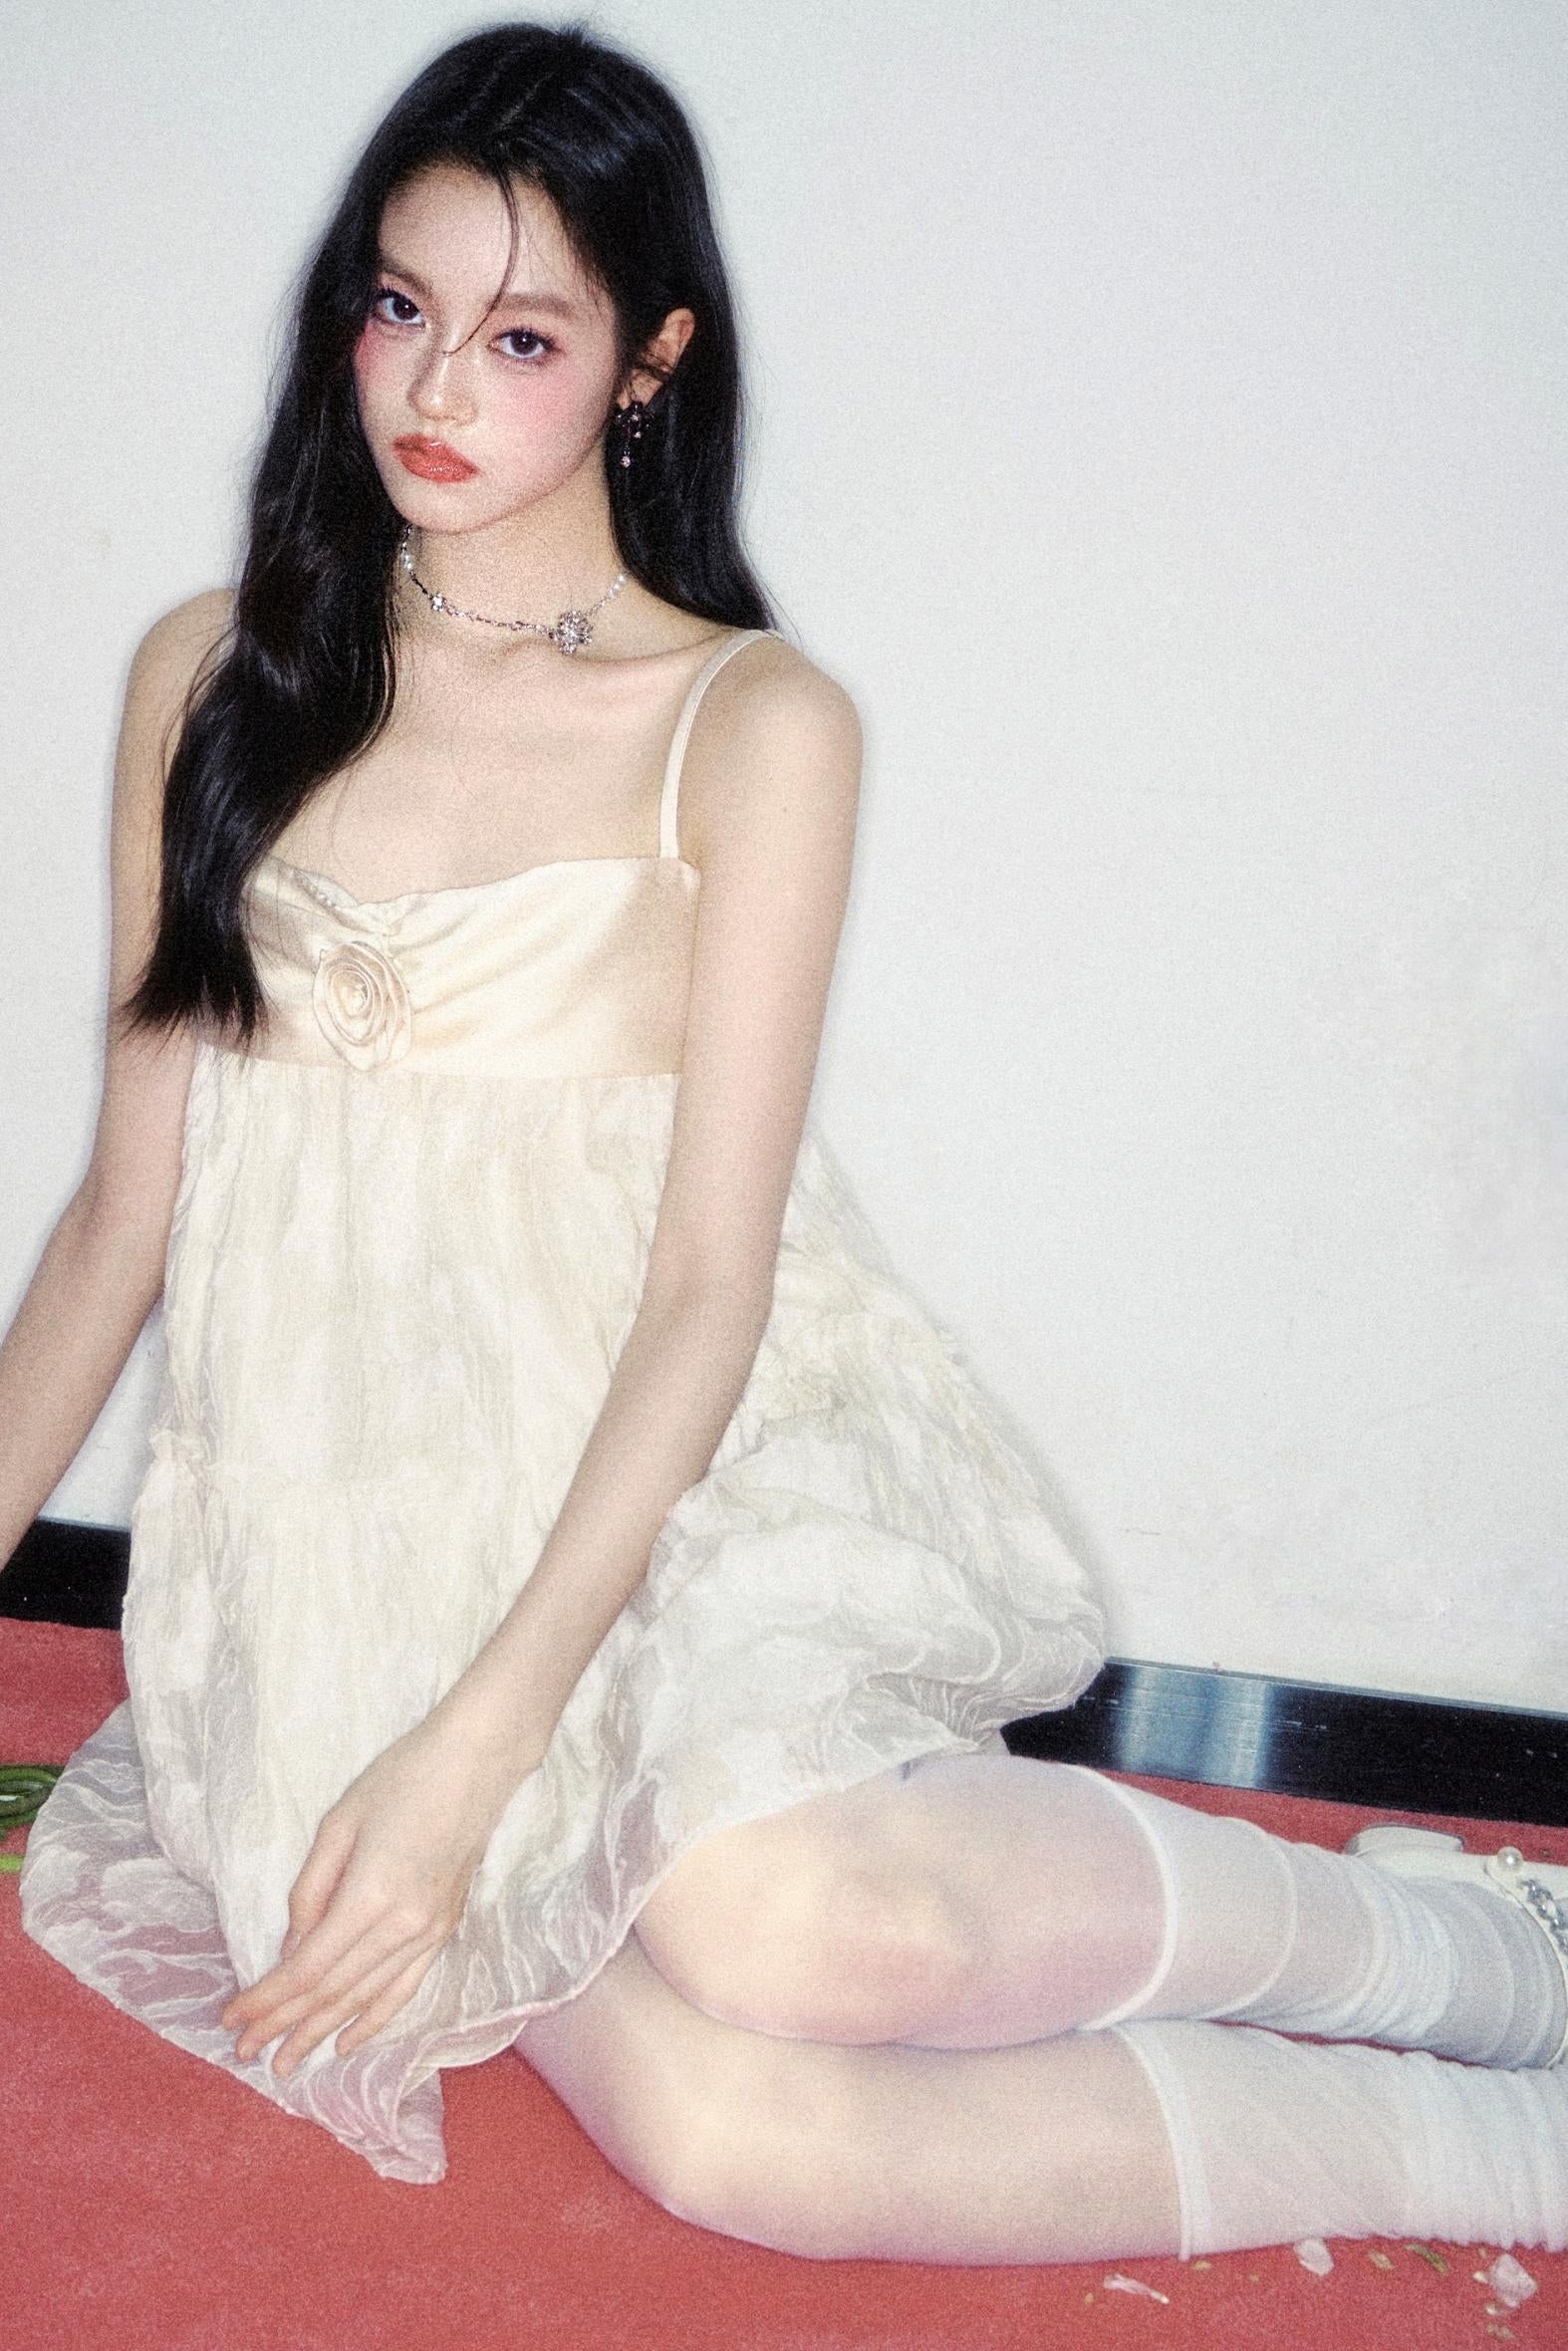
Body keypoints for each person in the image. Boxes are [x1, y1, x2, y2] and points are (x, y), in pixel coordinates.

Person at [6, 18, 1566, 2264]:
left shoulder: (748, 723)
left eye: (521, 336)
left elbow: (708, 1289)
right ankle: (1516, 2167)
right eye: (400, 306)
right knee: (735, 2144)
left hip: (664, 1490)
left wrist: (477, 1749)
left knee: (802, 1929)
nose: (434, 387)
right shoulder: (211, 675)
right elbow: (117, 1225)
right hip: (348, 1548)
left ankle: (1482, 1955)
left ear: (647, 362)